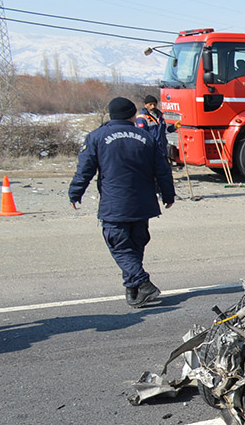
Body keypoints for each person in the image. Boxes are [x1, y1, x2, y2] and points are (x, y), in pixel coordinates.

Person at [69, 97, 176, 308]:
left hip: (115, 203)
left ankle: (143, 284)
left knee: (120, 247)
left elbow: (85, 170)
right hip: (142, 202)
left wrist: (75, 193)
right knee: (134, 246)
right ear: (132, 115)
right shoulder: (146, 137)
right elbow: (162, 170)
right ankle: (133, 291)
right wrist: (168, 195)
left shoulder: (97, 137)